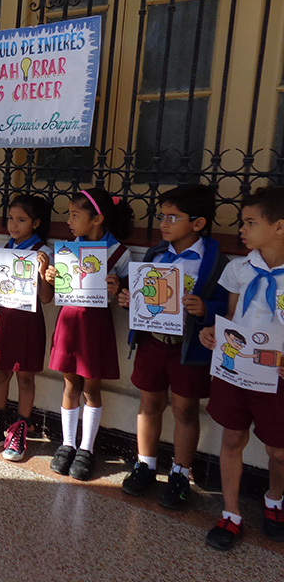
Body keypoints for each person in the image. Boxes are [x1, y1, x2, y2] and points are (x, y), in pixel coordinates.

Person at [118, 185, 229, 508]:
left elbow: (228, 304)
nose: (164, 223)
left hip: (188, 348)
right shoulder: (156, 254)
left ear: (198, 223)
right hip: (153, 343)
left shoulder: (214, 260)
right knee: (149, 403)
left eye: (173, 217)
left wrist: (206, 308)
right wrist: (127, 299)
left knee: (184, 409)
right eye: (161, 216)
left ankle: (181, 472)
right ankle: (146, 464)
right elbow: (140, 294)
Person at [199, 186, 284, 550]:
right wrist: (212, 333)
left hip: (276, 375)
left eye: (251, 222)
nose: (242, 230)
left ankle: (274, 499)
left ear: (279, 227)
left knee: (279, 449)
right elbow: (232, 316)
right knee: (232, 436)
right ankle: (231, 512)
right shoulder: (239, 269)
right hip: (237, 371)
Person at [44, 188, 133, 480]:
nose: (69, 221)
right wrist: (52, 277)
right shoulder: (68, 249)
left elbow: (127, 297)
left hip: (95, 325)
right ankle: (67, 443)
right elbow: (60, 287)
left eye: (75, 215)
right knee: (70, 385)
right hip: (69, 321)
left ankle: (86, 448)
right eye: (68, 214)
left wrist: (117, 288)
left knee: (91, 389)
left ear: (97, 219)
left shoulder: (119, 252)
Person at [0, 194, 53, 461]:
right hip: (4, 319)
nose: (14, 224)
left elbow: (46, 297)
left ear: (36, 223)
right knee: (0, 373)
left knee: (25, 376)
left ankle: (19, 430)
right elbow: (0, 284)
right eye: (10, 218)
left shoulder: (43, 252)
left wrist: (43, 272)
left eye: (21, 220)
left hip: (27, 322)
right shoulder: (5, 249)